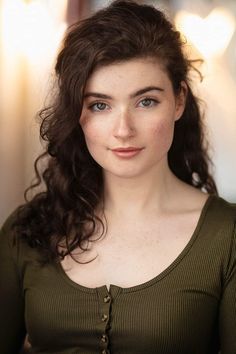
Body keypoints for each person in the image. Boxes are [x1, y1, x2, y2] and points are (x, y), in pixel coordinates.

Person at [0, 0, 235, 353]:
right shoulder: (27, 231)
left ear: (179, 101)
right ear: (77, 114)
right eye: (100, 105)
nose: (123, 130)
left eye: (146, 101)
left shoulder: (227, 236)